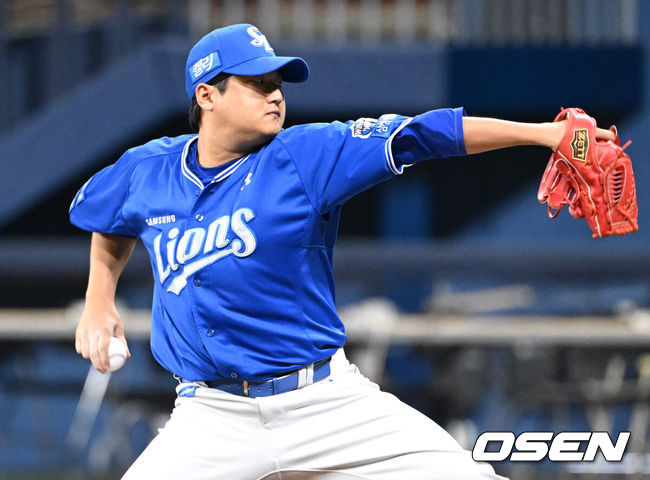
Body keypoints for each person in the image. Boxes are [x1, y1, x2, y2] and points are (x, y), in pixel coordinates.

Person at [70, 24, 616, 480]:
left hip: (325, 403)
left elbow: (422, 135)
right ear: (206, 95)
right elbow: (109, 219)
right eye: (257, 83)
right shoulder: (149, 169)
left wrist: (544, 135)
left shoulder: (305, 154)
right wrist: (99, 298)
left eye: (278, 82)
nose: (276, 94)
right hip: (212, 415)